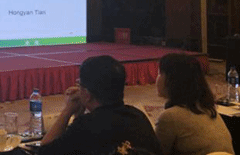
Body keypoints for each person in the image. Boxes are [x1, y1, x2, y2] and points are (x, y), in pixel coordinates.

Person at [34, 55, 162, 155]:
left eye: (80, 85)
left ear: (87, 94)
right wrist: (79, 114)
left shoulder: (86, 127)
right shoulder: (138, 116)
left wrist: (68, 111)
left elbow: (44, 151)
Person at [155, 53, 235, 155]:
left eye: (159, 73)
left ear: (172, 80)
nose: (157, 79)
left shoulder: (170, 117)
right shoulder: (208, 109)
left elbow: (155, 152)